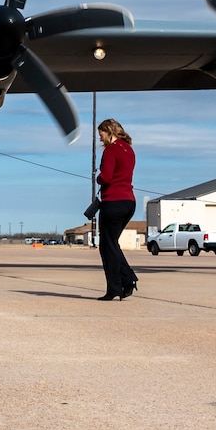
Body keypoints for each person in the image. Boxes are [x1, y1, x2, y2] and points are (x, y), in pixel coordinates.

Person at [94, 118, 139, 299]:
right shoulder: (128, 149)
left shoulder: (111, 150)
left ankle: (117, 286)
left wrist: (98, 178)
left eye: (101, 134)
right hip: (129, 202)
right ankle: (126, 280)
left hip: (113, 202)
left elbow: (106, 177)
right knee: (111, 244)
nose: (100, 139)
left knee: (107, 246)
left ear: (109, 131)